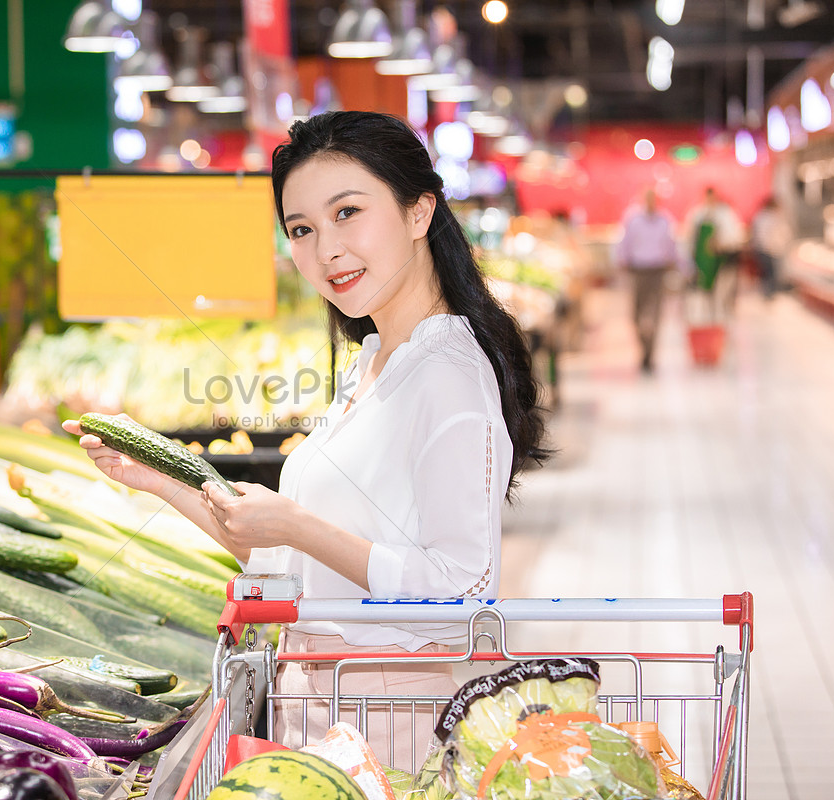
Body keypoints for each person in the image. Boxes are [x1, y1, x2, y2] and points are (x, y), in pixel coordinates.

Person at [64, 111, 548, 767]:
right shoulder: (376, 360)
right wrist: (156, 478)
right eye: (302, 229)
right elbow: (287, 566)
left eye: (348, 212)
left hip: (393, 718)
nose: (326, 249)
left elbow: (460, 601)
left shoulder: (448, 375)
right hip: (328, 709)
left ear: (419, 211)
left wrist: (296, 524)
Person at [614, 189, 679, 373]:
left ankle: (650, 354)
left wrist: (677, 264)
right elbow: (624, 243)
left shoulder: (665, 220)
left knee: (656, 312)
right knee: (636, 313)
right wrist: (622, 261)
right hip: (638, 270)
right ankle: (644, 347)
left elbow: (671, 244)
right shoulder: (633, 219)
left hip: (658, 270)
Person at [684, 187, 745, 318]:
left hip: (723, 261)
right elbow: (689, 238)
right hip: (703, 262)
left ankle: (722, 320)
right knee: (704, 295)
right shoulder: (698, 214)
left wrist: (720, 243)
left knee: (722, 294)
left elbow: (735, 237)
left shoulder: (725, 213)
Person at [749, 197, 790, 299]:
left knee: (767, 273)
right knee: (770, 274)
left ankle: (767, 294)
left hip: (762, 249)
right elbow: (772, 236)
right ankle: (769, 296)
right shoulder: (770, 218)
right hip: (768, 250)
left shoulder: (760, 216)